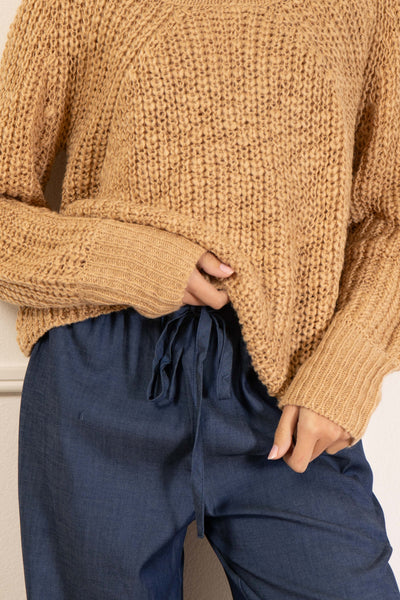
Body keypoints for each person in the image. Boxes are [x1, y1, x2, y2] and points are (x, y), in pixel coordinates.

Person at [1, 0, 399, 597]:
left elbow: (390, 220)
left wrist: (349, 367)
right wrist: (135, 259)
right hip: (102, 373)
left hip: (292, 385)